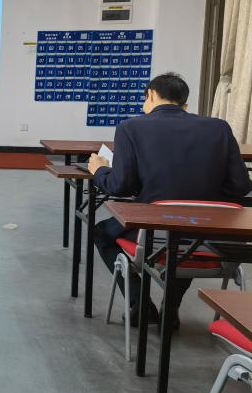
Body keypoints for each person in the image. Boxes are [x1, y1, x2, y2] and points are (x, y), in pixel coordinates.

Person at [89, 72, 252, 326]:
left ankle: (140, 303)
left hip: (153, 235)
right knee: (187, 236)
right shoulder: (219, 128)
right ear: (184, 102)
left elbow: (120, 186)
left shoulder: (131, 127)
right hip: (210, 237)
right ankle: (171, 307)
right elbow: (241, 186)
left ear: (152, 94)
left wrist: (99, 170)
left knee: (101, 233)